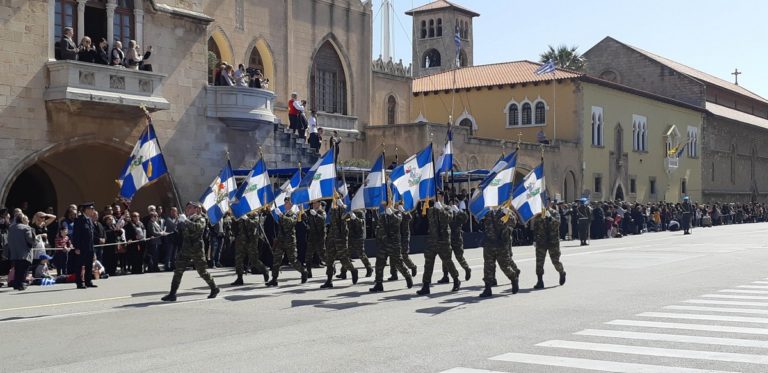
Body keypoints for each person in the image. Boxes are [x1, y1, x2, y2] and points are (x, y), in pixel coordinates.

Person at [162, 202, 219, 301]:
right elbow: (179, 233)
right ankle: (172, 294)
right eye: (187, 208)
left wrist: (185, 221)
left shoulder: (200, 218)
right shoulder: (185, 219)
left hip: (196, 249)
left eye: (190, 208)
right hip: (185, 249)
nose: (188, 209)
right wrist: (175, 228)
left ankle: (214, 288)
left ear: (196, 209)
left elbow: (198, 228)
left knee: (202, 271)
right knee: (178, 271)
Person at [417, 193, 460, 295]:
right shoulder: (431, 210)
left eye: (438, 196)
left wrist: (441, 210)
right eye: (435, 196)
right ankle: (426, 286)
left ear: (442, 196)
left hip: (443, 241)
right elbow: (424, 219)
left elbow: (448, 219)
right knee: (428, 264)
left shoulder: (448, 208)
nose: (436, 198)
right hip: (432, 241)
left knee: (448, 262)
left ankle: (456, 280)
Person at [369, 203, 413, 292]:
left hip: (394, 244)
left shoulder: (397, 213)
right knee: (379, 264)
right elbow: (379, 226)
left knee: (398, 262)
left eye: (386, 204)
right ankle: (378, 284)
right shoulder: (382, 215)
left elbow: (398, 221)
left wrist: (391, 214)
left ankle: (408, 276)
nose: (385, 206)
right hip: (383, 244)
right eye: (384, 205)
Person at [479, 208, 520, 298]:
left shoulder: (504, 211)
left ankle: (514, 278)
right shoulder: (487, 212)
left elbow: (513, 223)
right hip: (488, 243)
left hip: (500, 244)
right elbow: (479, 221)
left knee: (505, 266)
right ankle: (487, 288)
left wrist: (508, 214)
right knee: (488, 267)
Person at [266, 198, 308, 287]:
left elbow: (290, 223)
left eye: (287, 203)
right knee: (276, 260)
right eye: (285, 203)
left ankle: (304, 272)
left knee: (293, 260)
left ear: (291, 204)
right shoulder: (285, 213)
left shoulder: (294, 214)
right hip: (281, 241)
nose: (285, 204)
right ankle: (274, 279)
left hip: (290, 241)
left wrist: (281, 215)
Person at [321, 200, 358, 288]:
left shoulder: (344, 208)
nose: (335, 200)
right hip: (332, 237)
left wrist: (343, 206)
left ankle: (353, 271)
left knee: (343, 259)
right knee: (329, 259)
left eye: (336, 198)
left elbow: (348, 216)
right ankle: (329, 281)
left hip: (341, 237)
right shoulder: (332, 209)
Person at [231, 212, 270, 286]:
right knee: (238, 259)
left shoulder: (254, 214)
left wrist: (246, 219)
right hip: (240, 240)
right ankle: (239, 278)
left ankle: (264, 271)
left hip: (251, 241)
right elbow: (234, 227)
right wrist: (234, 220)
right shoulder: (239, 214)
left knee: (254, 260)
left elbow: (254, 224)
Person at [437, 201, 471, 284]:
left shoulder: (458, 214)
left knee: (459, 256)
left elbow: (465, 219)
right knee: (446, 258)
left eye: (453, 204)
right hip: (447, 238)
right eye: (450, 204)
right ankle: (445, 276)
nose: (451, 205)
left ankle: (467, 268)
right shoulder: (447, 213)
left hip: (457, 239)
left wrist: (458, 211)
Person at [532, 208, 566, 289]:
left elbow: (558, 223)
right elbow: (535, 228)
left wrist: (550, 217)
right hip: (541, 242)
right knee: (539, 262)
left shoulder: (554, 213)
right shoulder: (538, 214)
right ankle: (540, 281)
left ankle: (561, 272)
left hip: (553, 242)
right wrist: (534, 239)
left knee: (555, 261)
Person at [72, 202, 97, 289]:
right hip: (81, 247)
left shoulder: (89, 220)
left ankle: (88, 281)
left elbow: (91, 235)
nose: (93, 211)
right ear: (86, 210)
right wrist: (77, 247)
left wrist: (92, 248)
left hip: (89, 247)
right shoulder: (79, 219)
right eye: (91, 209)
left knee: (89, 265)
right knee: (79, 265)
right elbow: (76, 235)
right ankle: (79, 282)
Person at [8, 214, 35, 290]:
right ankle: (21, 284)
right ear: (23, 220)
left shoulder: (11, 228)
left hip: (14, 252)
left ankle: (16, 284)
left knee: (17, 269)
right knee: (23, 269)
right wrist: (35, 240)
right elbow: (30, 240)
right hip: (24, 252)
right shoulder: (26, 228)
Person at [344, 210, 372, 278]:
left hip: (358, 237)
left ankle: (369, 268)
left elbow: (361, 223)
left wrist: (355, 218)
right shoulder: (349, 212)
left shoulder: (359, 212)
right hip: (350, 236)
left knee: (361, 254)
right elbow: (344, 221)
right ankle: (343, 272)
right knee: (346, 255)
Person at [305, 201, 327, 277]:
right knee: (308, 255)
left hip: (320, 236)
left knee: (322, 255)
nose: (314, 205)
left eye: (316, 203)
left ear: (319, 204)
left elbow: (323, 220)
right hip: (312, 236)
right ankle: (308, 272)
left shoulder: (322, 212)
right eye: (313, 204)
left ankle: (331, 266)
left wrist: (316, 215)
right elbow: (304, 217)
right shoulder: (310, 212)